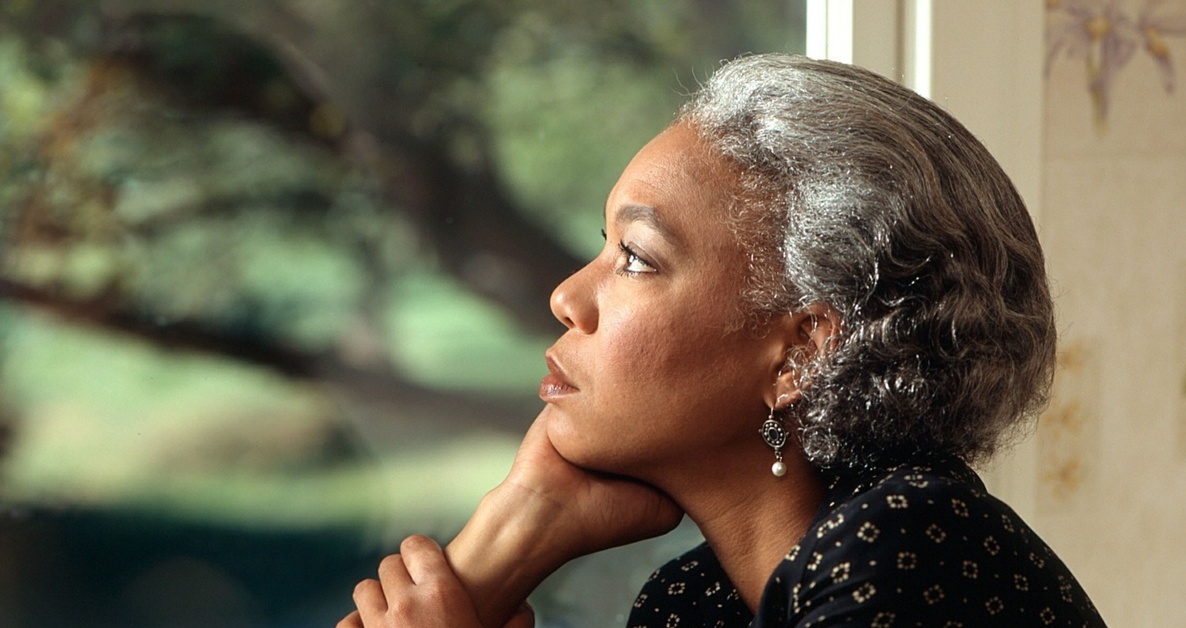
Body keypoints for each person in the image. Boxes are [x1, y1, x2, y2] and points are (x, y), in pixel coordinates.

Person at [339, 53, 1107, 627]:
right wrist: (520, 525)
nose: (566, 296)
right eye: (602, 245)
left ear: (802, 351)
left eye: (635, 258)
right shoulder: (692, 602)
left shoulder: (911, 556)